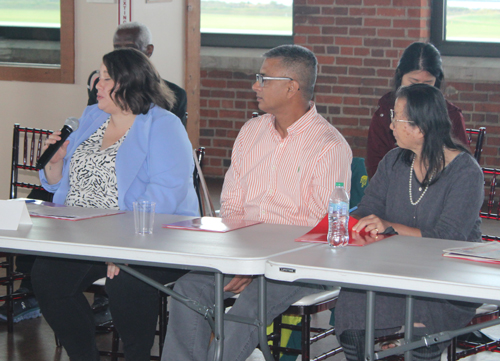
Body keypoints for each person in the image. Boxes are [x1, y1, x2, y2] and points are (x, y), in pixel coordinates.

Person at [162, 44, 352, 361]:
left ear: (292, 87)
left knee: (251, 302)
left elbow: (318, 229)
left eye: (263, 78)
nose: (255, 86)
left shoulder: (328, 146)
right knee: (188, 290)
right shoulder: (251, 132)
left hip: (301, 263)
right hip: (244, 255)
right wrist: (239, 261)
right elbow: (233, 207)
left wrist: (257, 269)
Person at [31, 48, 199, 361]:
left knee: (125, 280)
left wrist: (122, 245)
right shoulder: (92, 116)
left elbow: (165, 194)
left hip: (153, 236)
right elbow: (57, 184)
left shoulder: (163, 126)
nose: (97, 83)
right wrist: (55, 161)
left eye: (107, 78)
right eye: (98, 76)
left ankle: (137, 356)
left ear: (131, 82)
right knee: (46, 277)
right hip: (84, 233)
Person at [335, 83, 483, 361]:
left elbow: (448, 236)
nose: (390, 125)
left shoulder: (465, 172)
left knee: (420, 332)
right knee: (353, 308)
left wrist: (388, 226)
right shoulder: (393, 162)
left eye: (397, 118)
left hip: (446, 280)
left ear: (421, 127)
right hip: (393, 272)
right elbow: (367, 209)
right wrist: (348, 221)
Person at [365, 42, 469, 179]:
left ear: (436, 83)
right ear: (400, 77)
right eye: (413, 82)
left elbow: (461, 169)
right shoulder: (385, 112)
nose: (419, 91)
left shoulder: (451, 115)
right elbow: (374, 167)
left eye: (427, 84)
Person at [87, 21, 188, 126]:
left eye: (130, 47)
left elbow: (174, 138)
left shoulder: (176, 94)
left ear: (149, 50)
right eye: (117, 48)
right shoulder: (102, 87)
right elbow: (89, 126)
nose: (122, 55)